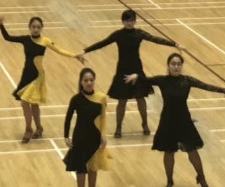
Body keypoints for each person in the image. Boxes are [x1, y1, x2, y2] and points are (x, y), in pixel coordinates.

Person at [124, 52, 225, 187]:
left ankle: (201, 177)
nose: (176, 67)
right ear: (168, 66)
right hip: (168, 121)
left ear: (181, 66)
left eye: (179, 64)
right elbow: (146, 80)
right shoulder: (162, 80)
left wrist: (221, 90)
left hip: (184, 120)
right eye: (173, 64)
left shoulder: (187, 80)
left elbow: (204, 86)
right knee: (169, 152)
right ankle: (169, 181)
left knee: (192, 151)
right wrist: (137, 76)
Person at [79, 9, 185, 138]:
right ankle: (118, 127)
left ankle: (145, 124)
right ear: (123, 21)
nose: (129, 23)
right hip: (122, 70)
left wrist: (174, 44)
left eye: (131, 20)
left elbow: (156, 39)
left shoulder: (139, 34)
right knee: (122, 100)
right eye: (127, 20)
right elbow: (102, 43)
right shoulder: (118, 35)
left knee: (140, 98)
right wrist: (85, 51)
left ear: (135, 21)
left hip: (136, 70)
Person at [0, 16, 84, 143]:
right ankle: (38, 128)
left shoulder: (45, 41)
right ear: (29, 28)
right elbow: (7, 37)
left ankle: (29, 129)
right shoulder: (25, 39)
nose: (36, 29)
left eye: (38, 27)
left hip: (38, 76)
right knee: (31, 103)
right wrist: (1, 25)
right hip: (26, 74)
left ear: (42, 28)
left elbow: (60, 50)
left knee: (26, 102)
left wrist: (75, 55)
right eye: (33, 27)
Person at [63, 68, 111, 187]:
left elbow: (103, 118)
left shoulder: (101, 98)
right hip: (80, 138)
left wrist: (103, 135)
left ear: (94, 81)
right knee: (80, 169)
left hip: (94, 138)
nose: (89, 83)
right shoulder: (76, 99)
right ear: (81, 82)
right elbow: (68, 118)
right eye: (86, 80)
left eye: (91, 80)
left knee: (93, 168)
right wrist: (66, 136)